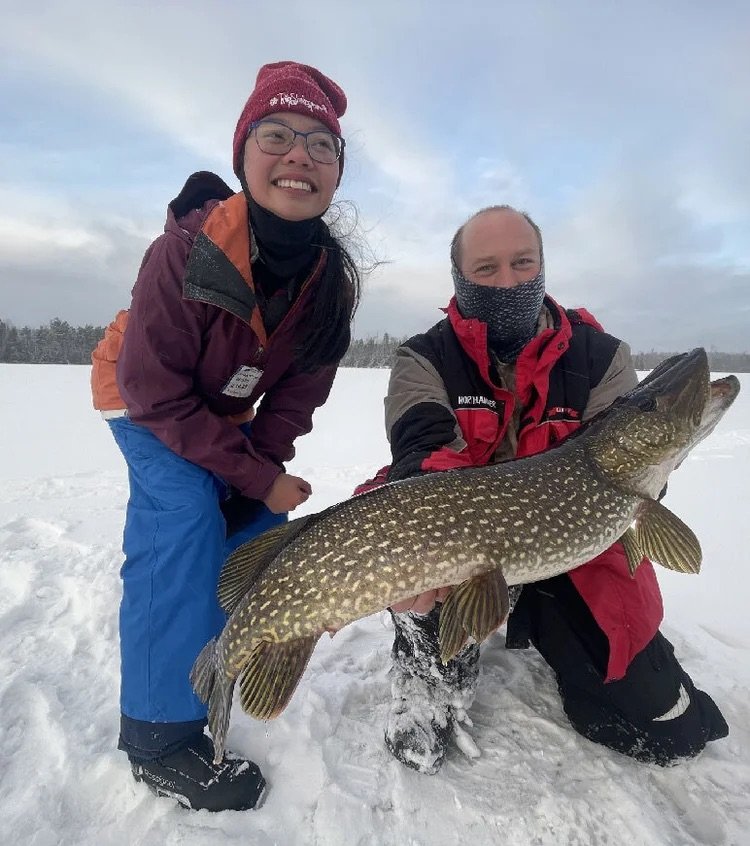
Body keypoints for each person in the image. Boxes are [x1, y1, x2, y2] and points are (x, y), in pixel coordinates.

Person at [360, 205, 728, 775]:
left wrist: (654, 466)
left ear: (542, 265)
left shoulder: (600, 357)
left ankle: (547, 623)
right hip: (465, 544)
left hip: (570, 547)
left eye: (522, 262)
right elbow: (422, 451)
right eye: (487, 268)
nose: (508, 280)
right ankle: (430, 661)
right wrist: (422, 559)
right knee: (418, 540)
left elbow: (626, 461)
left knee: (669, 729)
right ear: (460, 277)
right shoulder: (423, 357)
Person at [90, 61, 361, 811]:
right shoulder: (184, 251)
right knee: (180, 517)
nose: (298, 155)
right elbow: (156, 393)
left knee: (257, 521)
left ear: (337, 173)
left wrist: (261, 475)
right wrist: (246, 473)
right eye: (276, 135)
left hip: (223, 414)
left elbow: (294, 401)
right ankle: (155, 732)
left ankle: (214, 652)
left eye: (320, 144)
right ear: (244, 153)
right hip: (140, 396)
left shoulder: (329, 283)